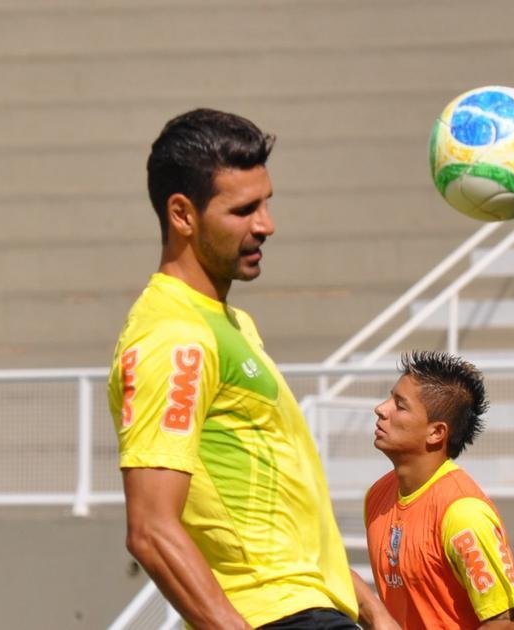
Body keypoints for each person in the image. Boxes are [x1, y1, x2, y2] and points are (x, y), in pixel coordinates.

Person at [107, 108, 394, 629]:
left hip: (310, 609)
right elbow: (150, 528)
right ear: (182, 214)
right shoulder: (174, 339)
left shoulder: (228, 324)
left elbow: (282, 528)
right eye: (243, 210)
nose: (267, 225)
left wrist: (372, 609)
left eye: (266, 203)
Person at [364, 351, 514, 629]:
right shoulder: (377, 496)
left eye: (400, 405)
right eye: (390, 397)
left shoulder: (464, 513)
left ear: (436, 433)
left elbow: (508, 626)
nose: (381, 408)